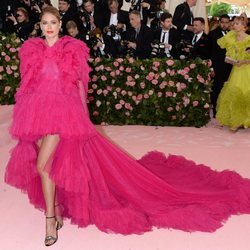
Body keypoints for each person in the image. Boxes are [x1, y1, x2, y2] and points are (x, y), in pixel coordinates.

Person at [5, 6, 250, 248]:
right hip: (38, 112)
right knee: (52, 164)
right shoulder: (32, 50)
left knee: (42, 165)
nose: (49, 28)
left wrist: (80, 116)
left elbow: (80, 86)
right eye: (45, 23)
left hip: (63, 114)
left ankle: (50, 220)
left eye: (53, 23)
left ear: (60, 24)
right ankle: (56, 209)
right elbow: (29, 82)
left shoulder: (71, 49)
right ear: (40, 25)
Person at [216, 15, 250, 131]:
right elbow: (228, 56)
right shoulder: (231, 37)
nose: (234, 26)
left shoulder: (249, 39)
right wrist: (230, 59)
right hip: (235, 70)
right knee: (234, 94)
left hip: (246, 71)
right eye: (234, 23)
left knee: (245, 94)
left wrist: (244, 61)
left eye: (237, 24)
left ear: (244, 26)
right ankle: (236, 120)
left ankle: (245, 120)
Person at [209, 14, 232, 118]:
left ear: (229, 23)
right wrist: (211, 67)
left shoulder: (232, 34)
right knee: (216, 88)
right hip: (217, 66)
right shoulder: (213, 34)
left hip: (230, 66)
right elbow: (210, 52)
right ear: (219, 23)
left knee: (227, 88)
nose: (224, 24)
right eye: (222, 22)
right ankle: (215, 110)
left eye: (227, 22)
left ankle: (226, 110)